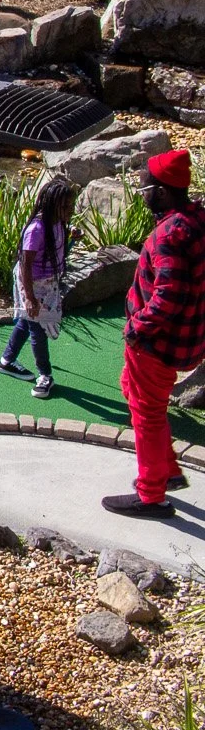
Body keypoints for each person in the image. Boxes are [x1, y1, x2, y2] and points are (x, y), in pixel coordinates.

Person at [105, 149, 205, 518]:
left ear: (161, 192)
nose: (142, 194)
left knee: (147, 413)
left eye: (145, 189)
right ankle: (169, 471)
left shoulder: (169, 234)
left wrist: (137, 327)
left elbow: (169, 295)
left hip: (155, 343)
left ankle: (151, 496)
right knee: (132, 391)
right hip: (185, 340)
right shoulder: (196, 220)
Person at [0, 176, 76, 400]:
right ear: (52, 205)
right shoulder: (37, 229)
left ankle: (7, 360)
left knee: (27, 321)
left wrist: (71, 238)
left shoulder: (58, 224)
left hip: (46, 282)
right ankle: (45, 374)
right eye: (65, 206)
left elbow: (56, 254)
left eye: (71, 205)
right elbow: (25, 265)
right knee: (38, 328)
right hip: (31, 283)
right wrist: (29, 297)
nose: (70, 210)